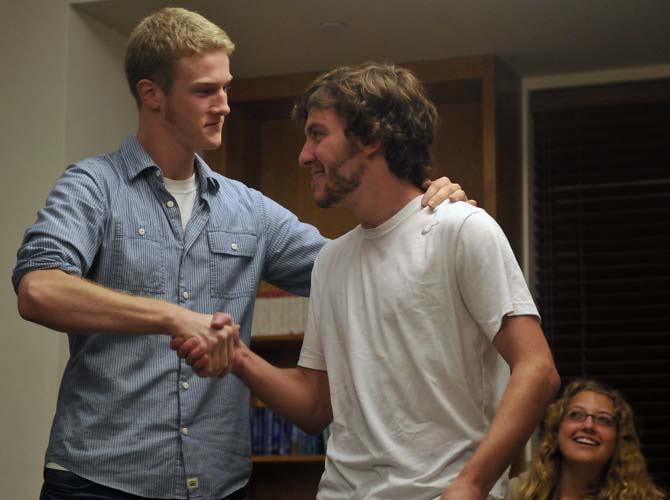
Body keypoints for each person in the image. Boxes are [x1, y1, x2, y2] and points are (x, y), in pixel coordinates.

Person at [12, 8, 467, 500]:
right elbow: (39, 289)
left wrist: (419, 208)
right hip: (97, 481)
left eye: (226, 87)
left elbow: (355, 270)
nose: (225, 104)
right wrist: (173, 317)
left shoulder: (249, 210)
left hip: (218, 486)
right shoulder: (92, 187)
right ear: (152, 94)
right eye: (206, 90)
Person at [178, 62, 560, 500]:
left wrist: (473, 484)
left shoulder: (462, 229)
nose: (304, 155)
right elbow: (316, 404)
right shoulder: (332, 262)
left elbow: (537, 369)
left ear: (372, 139)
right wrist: (238, 357)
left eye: (318, 134)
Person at [508, 379, 666, 500]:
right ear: (557, 429)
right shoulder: (520, 492)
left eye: (603, 420)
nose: (588, 425)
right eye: (576, 415)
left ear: (619, 439)